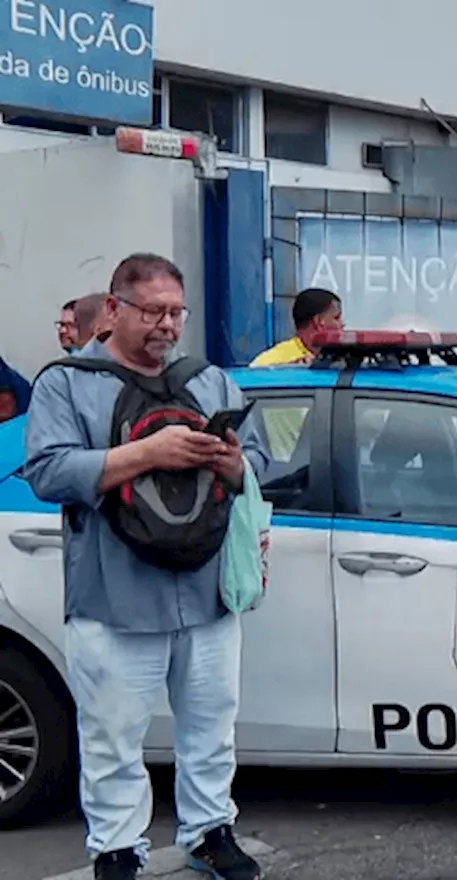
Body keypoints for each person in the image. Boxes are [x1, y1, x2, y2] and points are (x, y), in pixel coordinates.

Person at [23, 254, 269, 880]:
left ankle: (211, 831)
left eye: (175, 313)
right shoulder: (66, 383)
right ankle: (116, 849)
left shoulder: (208, 380)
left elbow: (261, 460)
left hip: (208, 592)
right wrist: (146, 452)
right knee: (113, 738)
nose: (165, 326)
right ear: (113, 310)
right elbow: (48, 472)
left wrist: (235, 465)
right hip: (114, 597)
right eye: (152, 312)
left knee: (212, 727)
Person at [250, 287, 343, 366]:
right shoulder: (271, 362)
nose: (341, 324)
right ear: (318, 321)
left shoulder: (341, 362)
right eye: (336, 318)